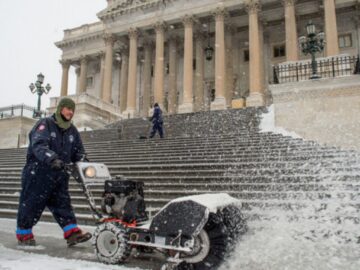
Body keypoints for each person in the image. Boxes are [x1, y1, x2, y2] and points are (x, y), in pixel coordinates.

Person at [16, 97, 91, 246]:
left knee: (63, 204)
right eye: (68, 109)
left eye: (72, 110)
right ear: (60, 108)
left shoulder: (72, 130)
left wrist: (83, 163)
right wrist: (52, 158)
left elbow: (78, 151)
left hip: (59, 175)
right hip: (38, 173)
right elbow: (39, 145)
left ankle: (71, 233)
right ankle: (24, 234)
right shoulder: (45, 124)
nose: (71, 112)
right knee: (31, 203)